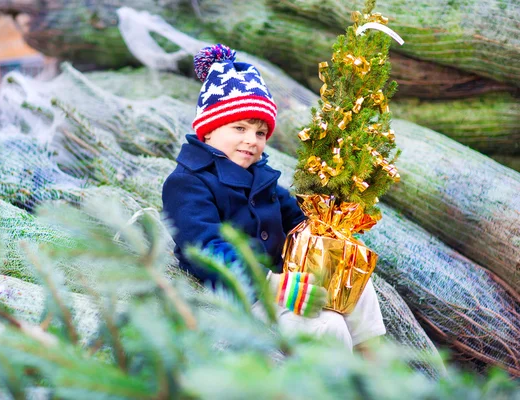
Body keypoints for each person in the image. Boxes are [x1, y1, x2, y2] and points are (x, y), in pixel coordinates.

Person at [162, 44, 385, 353]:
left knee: (352, 278)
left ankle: (374, 361)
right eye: (239, 127)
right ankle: (341, 383)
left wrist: (328, 233)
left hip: (284, 281)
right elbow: (204, 248)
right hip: (242, 295)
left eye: (260, 133)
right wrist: (270, 283)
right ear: (208, 131)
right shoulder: (188, 182)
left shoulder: (261, 176)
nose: (251, 140)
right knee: (327, 328)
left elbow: (296, 220)